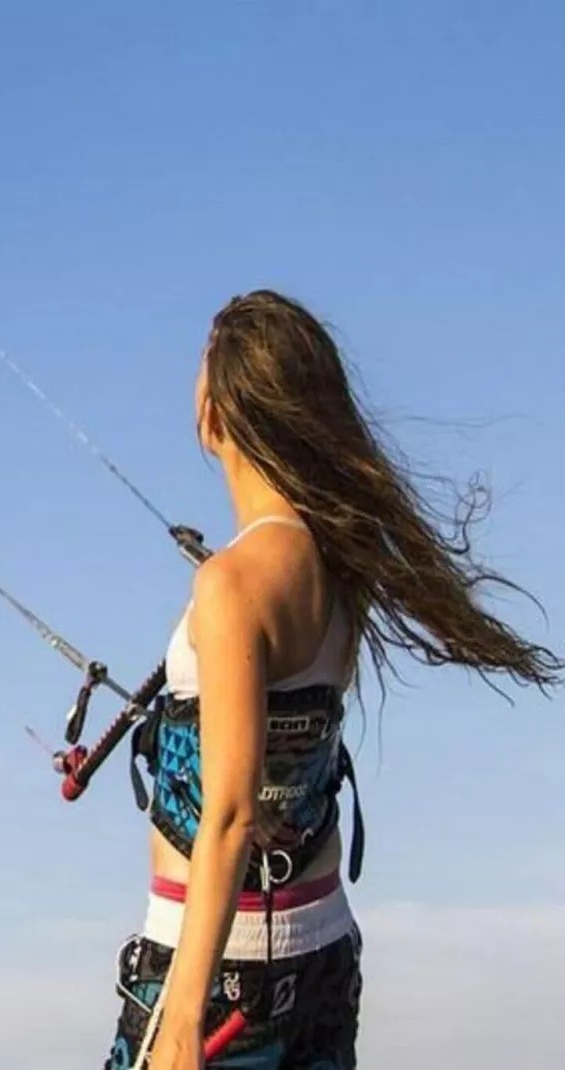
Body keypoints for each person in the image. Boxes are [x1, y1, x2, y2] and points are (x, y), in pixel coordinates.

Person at [101, 290, 563, 1070]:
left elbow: (233, 813)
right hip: (321, 956)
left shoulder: (232, 585)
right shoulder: (344, 569)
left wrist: (180, 1019)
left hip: (215, 975)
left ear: (216, 417)